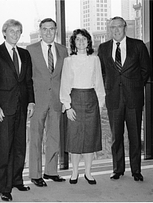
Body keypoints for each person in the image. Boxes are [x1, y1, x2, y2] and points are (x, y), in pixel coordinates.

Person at [0, 19, 35, 201]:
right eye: (12, 31)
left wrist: (31, 102)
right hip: (4, 108)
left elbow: (28, 81)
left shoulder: (24, 54)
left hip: (22, 107)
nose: (15, 34)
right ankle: (4, 188)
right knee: (5, 148)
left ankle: (17, 180)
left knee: (20, 146)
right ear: (4, 33)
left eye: (18, 31)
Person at [98, 16, 151, 182]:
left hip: (133, 98)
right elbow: (103, 72)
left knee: (135, 136)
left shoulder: (138, 45)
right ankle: (117, 169)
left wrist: (134, 86)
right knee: (116, 137)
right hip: (114, 98)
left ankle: (136, 170)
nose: (115, 30)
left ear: (125, 27)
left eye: (118, 27)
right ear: (109, 29)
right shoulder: (103, 48)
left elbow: (145, 69)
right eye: (112, 27)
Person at [60, 29, 105, 185]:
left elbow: (99, 83)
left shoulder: (95, 60)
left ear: (88, 42)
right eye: (77, 39)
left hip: (92, 100)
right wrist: (67, 106)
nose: (80, 42)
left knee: (90, 138)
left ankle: (88, 172)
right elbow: (64, 84)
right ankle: (74, 172)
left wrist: (100, 105)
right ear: (73, 42)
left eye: (84, 39)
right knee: (74, 138)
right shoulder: (68, 61)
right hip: (74, 100)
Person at [26, 18, 68, 187]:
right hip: (37, 101)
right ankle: (35, 174)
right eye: (45, 29)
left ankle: (51, 171)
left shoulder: (63, 50)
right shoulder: (30, 50)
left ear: (55, 30)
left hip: (57, 101)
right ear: (40, 31)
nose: (48, 32)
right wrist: (29, 101)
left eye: (51, 29)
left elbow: (66, 77)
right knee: (35, 138)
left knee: (54, 137)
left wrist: (66, 99)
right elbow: (27, 78)